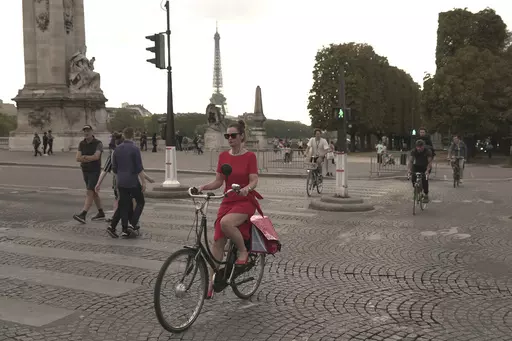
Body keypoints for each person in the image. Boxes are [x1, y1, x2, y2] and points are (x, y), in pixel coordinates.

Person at [197, 120, 261, 299]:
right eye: (227, 136)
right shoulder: (223, 156)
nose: (230, 139)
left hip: (244, 200)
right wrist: (203, 187)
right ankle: (210, 283)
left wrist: (248, 187)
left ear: (241, 137)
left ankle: (243, 251)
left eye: (233, 135)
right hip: (227, 200)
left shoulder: (250, 157)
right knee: (217, 241)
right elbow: (218, 181)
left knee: (226, 223)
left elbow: (254, 179)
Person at [112, 127, 146, 237]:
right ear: (134, 135)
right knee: (140, 201)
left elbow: (115, 169)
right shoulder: (134, 149)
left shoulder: (117, 149)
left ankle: (124, 228)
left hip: (121, 181)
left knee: (124, 204)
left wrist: (117, 183)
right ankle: (132, 223)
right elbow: (139, 168)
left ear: (123, 135)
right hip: (132, 180)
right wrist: (144, 182)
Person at [73, 125, 105, 223]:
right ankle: (101, 212)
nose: (86, 133)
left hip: (94, 170)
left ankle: (83, 214)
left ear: (92, 132)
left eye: (88, 131)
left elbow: (96, 156)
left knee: (89, 191)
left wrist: (84, 157)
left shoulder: (98, 143)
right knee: (94, 192)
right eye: (85, 131)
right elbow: (77, 158)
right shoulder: (81, 143)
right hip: (85, 170)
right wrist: (88, 158)